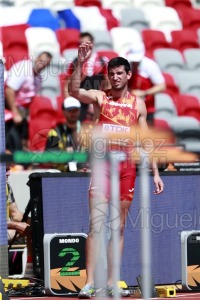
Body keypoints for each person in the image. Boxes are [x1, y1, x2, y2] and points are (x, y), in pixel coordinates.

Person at [69, 42, 164, 298]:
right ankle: (89, 282)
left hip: (127, 168)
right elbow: (74, 90)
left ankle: (113, 281)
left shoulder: (138, 104)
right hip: (103, 167)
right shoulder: (101, 97)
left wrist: (155, 172)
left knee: (118, 227)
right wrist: (79, 62)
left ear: (128, 75)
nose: (115, 77)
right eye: (111, 73)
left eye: (120, 73)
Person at [4, 51, 53, 151]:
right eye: (41, 61)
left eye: (45, 64)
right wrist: (15, 112)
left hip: (22, 112)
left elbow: (31, 99)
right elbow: (9, 90)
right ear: (36, 58)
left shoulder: (39, 78)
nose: (42, 65)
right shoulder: (23, 69)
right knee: (11, 140)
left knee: (24, 141)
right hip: (8, 107)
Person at [63, 31, 109, 121]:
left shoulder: (102, 61)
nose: (83, 46)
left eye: (86, 43)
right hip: (79, 100)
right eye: (81, 43)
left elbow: (107, 84)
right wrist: (69, 101)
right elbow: (67, 83)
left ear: (92, 43)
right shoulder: (75, 62)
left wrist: (103, 100)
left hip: (96, 99)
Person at [126, 41, 166, 125]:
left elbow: (162, 86)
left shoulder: (150, 65)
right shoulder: (127, 64)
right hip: (129, 108)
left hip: (147, 109)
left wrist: (144, 93)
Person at [6, 160, 33, 277]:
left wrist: (37, 221)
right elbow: (15, 222)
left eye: (9, 169)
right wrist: (16, 225)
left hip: (4, 230)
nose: (9, 173)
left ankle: (30, 270)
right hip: (4, 229)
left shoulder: (6, 186)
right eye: (5, 170)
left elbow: (15, 214)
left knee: (34, 228)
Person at [45, 96, 82, 172]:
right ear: (63, 111)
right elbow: (49, 157)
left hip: (83, 171)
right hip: (62, 173)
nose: (73, 113)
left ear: (80, 111)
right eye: (70, 110)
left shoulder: (87, 130)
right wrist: (65, 156)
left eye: (76, 110)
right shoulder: (55, 132)